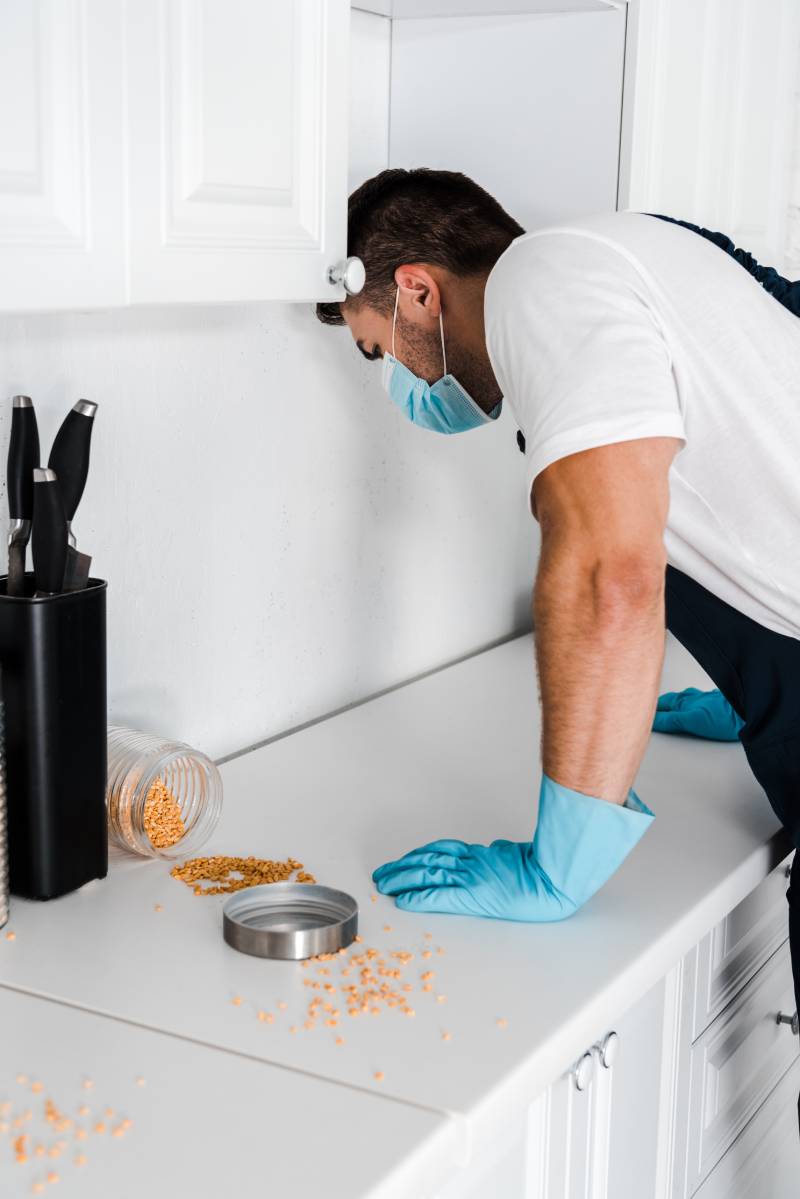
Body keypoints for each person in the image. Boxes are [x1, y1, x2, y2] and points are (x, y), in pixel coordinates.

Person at [315, 168, 800, 1024]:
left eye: (376, 347)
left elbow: (609, 574)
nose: (395, 379)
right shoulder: (626, 248)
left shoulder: (539, 287)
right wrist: (747, 680)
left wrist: (558, 861)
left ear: (417, 291)